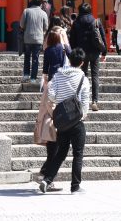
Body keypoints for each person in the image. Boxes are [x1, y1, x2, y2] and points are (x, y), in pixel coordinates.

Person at [38, 48, 92, 194]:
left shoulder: (58, 75)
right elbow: (85, 101)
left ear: (69, 60)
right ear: (81, 63)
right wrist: (82, 115)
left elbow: (51, 93)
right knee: (78, 154)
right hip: (76, 122)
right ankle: (75, 186)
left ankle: (47, 180)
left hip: (62, 121)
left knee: (60, 153)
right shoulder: (83, 79)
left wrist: (59, 101)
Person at [70, 3, 107, 111]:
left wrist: (73, 53)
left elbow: (72, 39)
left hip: (82, 53)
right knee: (95, 76)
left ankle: (82, 100)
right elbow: (102, 37)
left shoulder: (76, 22)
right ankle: (95, 101)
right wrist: (104, 52)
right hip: (94, 52)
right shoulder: (96, 21)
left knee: (83, 75)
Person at [20, 0, 50, 83]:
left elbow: (21, 25)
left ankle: (26, 75)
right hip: (38, 39)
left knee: (27, 57)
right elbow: (46, 27)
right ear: (40, 3)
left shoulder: (26, 11)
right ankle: (33, 78)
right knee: (35, 59)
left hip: (28, 38)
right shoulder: (43, 13)